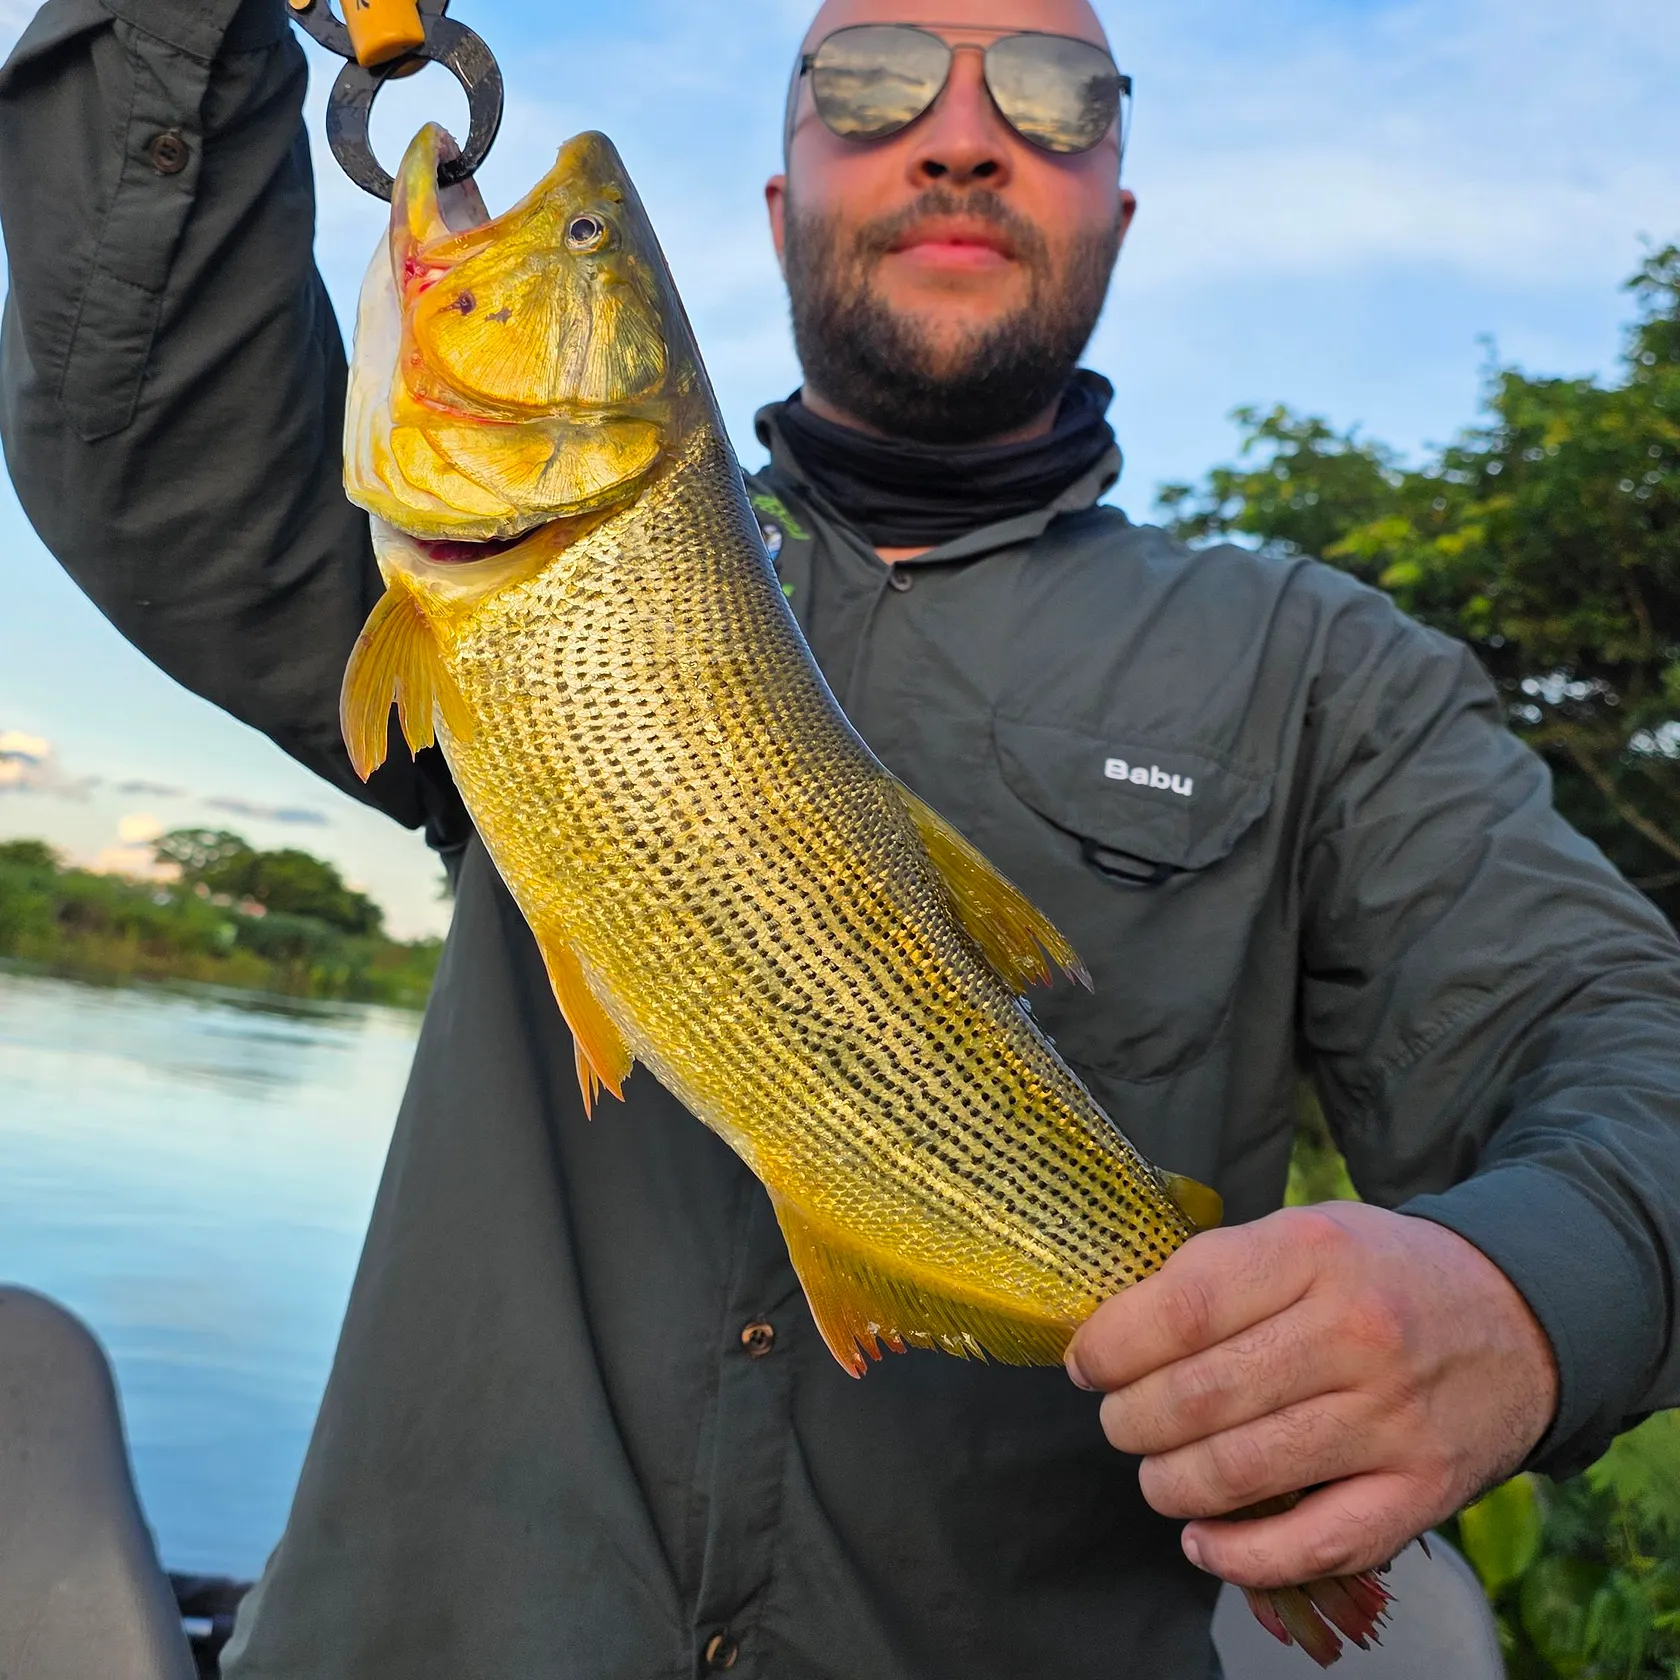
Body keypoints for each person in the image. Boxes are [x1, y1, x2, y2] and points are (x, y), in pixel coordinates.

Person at [1, 0, 1676, 1673]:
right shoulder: (464, 580)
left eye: (1055, 94)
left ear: (1123, 202)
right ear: (781, 192)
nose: (960, 134)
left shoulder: (1325, 669)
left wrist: (1532, 1296)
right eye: (868, 82)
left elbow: (1623, 1041)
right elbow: (148, 425)